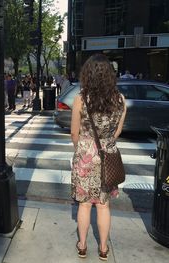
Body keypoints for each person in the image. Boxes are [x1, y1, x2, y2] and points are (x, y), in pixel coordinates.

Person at [70, 54, 126, 260]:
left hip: (86, 156)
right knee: (103, 205)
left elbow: (74, 133)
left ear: (88, 75)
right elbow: (117, 131)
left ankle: (83, 245)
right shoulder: (120, 100)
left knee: (84, 204)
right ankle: (103, 248)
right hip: (107, 157)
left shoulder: (81, 99)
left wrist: (83, 149)